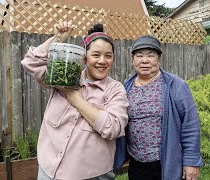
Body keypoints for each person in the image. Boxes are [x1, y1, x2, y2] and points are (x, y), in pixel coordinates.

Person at [21, 20, 129, 180]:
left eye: (108, 56)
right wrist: (57, 39)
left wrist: (76, 99)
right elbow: (31, 63)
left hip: (91, 175)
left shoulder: (115, 89)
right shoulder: (67, 75)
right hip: (48, 170)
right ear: (84, 58)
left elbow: (112, 127)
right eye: (96, 55)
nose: (102, 61)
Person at [114, 35, 203, 180]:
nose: (145, 60)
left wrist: (191, 162)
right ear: (133, 59)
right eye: (139, 55)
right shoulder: (126, 86)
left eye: (151, 55)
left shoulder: (176, 86)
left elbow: (190, 125)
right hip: (136, 164)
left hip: (166, 164)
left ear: (159, 59)